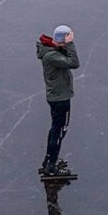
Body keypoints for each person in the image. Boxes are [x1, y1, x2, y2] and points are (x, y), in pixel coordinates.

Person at [37, 25, 79, 177]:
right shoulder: (52, 56)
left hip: (55, 96)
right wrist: (70, 44)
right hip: (60, 99)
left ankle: (49, 160)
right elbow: (74, 63)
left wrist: (65, 44)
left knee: (55, 129)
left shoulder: (51, 50)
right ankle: (51, 166)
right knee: (59, 131)